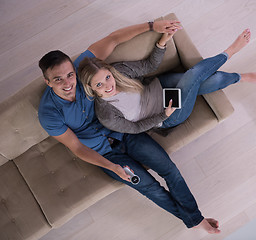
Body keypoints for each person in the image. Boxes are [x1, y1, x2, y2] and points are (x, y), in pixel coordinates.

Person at [38, 20, 220, 234]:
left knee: (169, 170)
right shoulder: (48, 114)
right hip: (106, 155)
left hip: (126, 132)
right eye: (58, 79)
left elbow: (113, 39)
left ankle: (195, 219)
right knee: (149, 187)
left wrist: (153, 26)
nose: (68, 83)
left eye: (70, 75)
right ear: (47, 82)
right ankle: (196, 220)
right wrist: (111, 166)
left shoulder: (82, 70)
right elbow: (77, 148)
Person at [77, 28, 256, 134]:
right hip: (167, 114)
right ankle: (231, 51)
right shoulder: (106, 114)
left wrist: (162, 42)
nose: (109, 85)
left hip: (162, 86)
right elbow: (134, 128)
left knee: (205, 80)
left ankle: (240, 77)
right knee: (193, 76)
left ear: (110, 72)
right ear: (91, 89)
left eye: (107, 77)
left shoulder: (118, 71)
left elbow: (149, 65)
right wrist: (164, 116)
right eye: (99, 85)